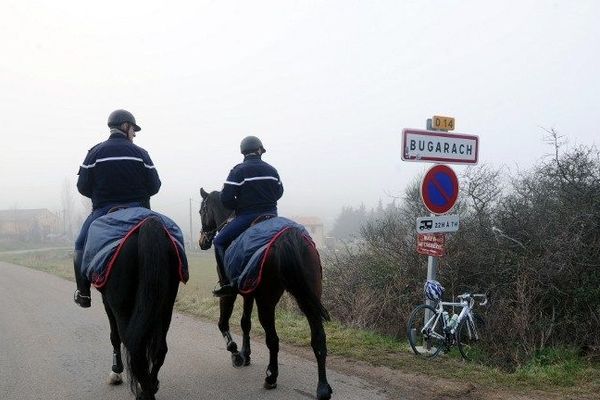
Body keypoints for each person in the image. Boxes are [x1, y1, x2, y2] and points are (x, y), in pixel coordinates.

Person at [73, 109, 161, 308]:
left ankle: (84, 293)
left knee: (79, 245)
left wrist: (100, 198)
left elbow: (82, 186)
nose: (135, 134)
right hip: (139, 210)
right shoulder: (141, 154)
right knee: (171, 233)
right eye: (133, 129)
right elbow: (155, 186)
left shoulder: (94, 153)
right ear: (125, 126)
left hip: (103, 211)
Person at [212, 136, 284, 297]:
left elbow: (226, 198)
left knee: (218, 241)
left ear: (243, 152)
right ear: (259, 150)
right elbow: (279, 192)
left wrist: (239, 206)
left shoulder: (238, 171)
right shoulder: (272, 170)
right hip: (272, 216)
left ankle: (228, 284)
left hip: (248, 216)